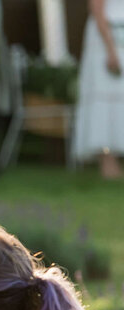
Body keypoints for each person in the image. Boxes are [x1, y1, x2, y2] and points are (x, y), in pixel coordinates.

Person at [73, 0, 124, 179]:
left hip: (121, 39)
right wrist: (110, 49)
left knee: (120, 102)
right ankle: (106, 159)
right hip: (105, 42)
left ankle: (115, 158)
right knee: (104, 100)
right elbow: (97, 10)